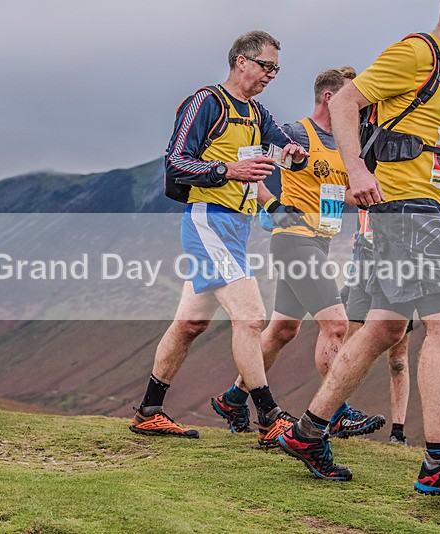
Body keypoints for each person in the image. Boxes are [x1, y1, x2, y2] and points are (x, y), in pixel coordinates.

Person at [278, 0, 440, 501]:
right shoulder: (415, 52)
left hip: (415, 209)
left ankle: (308, 431)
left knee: (383, 327)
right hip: (407, 207)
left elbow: (437, 127)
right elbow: (343, 103)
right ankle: (438, 462)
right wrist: (356, 168)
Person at [130, 31, 309, 449]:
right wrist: (227, 171)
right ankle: (269, 417)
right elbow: (175, 160)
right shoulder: (206, 102)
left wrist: (295, 155)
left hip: (237, 226)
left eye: (276, 69)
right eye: (266, 66)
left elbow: (282, 147)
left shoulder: (258, 112)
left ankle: (149, 412)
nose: (271, 75)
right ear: (240, 61)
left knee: (190, 323)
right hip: (207, 222)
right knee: (250, 317)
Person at [211, 67, 385, 440]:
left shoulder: (347, 142)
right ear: (329, 98)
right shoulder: (294, 134)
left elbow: (343, 192)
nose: (359, 107)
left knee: (283, 330)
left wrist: (377, 196)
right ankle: (335, 411)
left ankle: (233, 398)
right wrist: (272, 205)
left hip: (321, 241)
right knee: (336, 324)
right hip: (294, 240)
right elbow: (249, 167)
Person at [340, 209, 412, 445]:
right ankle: (337, 415)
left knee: (398, 360)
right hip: (363, 265)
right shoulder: (363, 172)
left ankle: (398, 432)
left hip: (398, 267)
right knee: (349, 348)